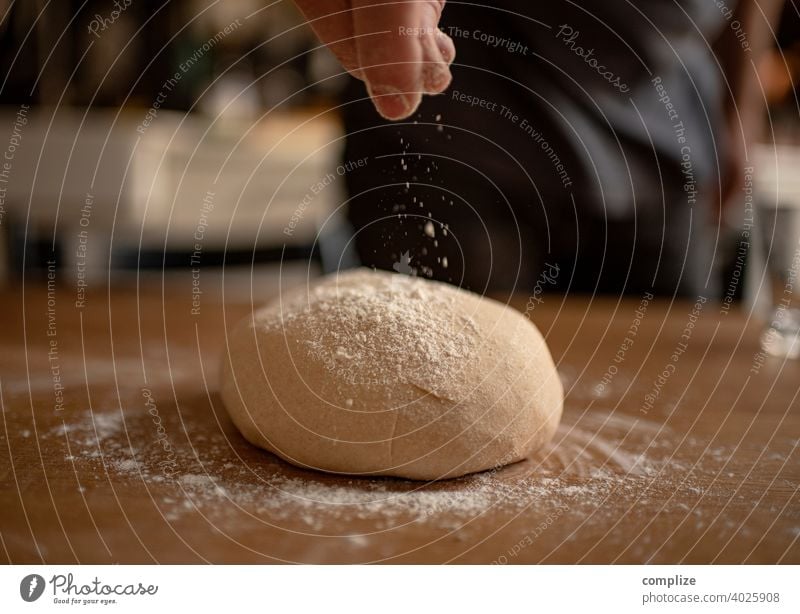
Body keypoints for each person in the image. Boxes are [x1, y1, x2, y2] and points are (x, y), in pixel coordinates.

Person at [295, 1, 769, 295]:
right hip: (465, 126)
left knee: (666, 382)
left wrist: (741, 117)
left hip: (664, 129)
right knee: (447, 373)